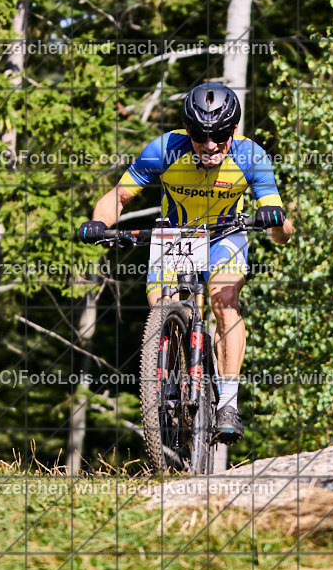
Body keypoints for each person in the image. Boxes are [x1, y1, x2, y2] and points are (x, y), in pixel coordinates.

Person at [80, 83, 293, 443]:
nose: (210, 145)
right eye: (199, 135)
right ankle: (174, 379)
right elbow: (119, 196)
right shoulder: (165, 149)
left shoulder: (251, 156)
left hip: (226, 233)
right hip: (177, 235)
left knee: (224, 301)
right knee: (162, 309)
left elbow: (277, 219)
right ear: (187, 130)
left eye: (220, 135)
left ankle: (227, 401)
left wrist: (277, 224)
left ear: (234, 130)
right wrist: (100, 224)